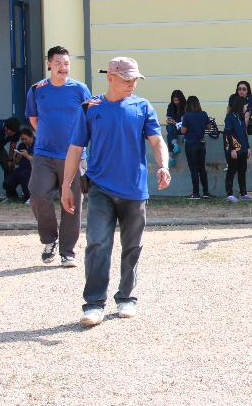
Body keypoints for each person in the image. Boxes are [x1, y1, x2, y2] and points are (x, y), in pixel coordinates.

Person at [61, 56, 170, 327]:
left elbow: (157, 141)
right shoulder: (90, 108)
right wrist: (66, 186)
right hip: (100, 188)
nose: (132, 83)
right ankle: (94, 303)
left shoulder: (143, 107)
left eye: (135, 78)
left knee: (132, 246)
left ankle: (127, 297)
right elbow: (75, 148)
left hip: (134, 188)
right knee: (98, 243)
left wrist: (163, 166)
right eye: (126, 78)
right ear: (110, 78)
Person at [26, 45, 92, 267]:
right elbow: (33, 119)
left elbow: (89, 118)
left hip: (74, 154)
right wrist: (49, 135)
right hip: (44, 153)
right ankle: (49, 240)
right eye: (58, 63)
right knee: (37, 194)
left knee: (72, 202)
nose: (63, 67)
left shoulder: (80, 89)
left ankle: (67, 252)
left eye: (66, 63)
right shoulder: (37, 89)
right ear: (49, 64)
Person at [223, 96, 252, 202]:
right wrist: (232, 149)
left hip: (243, 149)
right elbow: (228, 133)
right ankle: (229, 194)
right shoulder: (230, 117)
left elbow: (244, 133)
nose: (247, 108)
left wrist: (248, 147)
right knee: (231, 171)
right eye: (246, 106)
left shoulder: (241, 117)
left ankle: (244, 193)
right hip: (234, 149)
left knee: (242, 171)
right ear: (240, 106)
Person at [180, 95, 212, 199]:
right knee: (202, 168)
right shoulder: (203, 114)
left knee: (193, 169)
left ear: (188, 105)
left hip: (190, 144)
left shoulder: (187, 116)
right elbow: (209, 127)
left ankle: (196, 193)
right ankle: (206, 192)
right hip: (201, 144)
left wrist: (182, 126)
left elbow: (183, 131)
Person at [3, 126, 34, 202]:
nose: (24, 141)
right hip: (22, 168)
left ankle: (29, 197)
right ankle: (13, 197)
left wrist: (27, 155)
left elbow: (39, 161)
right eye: (22, 139)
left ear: (31, 137)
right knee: (7, 183)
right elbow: (16, 162)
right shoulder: (21, 145)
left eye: (25, 139)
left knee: (24, 176)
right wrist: (18, 157)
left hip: (34, 169)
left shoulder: (39, 145)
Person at [165, 89, 186, 167]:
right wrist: (170, 121)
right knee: (169, 128)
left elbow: (187, 120)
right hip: (174, 127)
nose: (176, 102)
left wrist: (178, 123)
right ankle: (175, 145)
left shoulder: (186, 106)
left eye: (177, 100)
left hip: (183, 128)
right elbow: (168, 118)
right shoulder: (171, 106)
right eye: (174, 100)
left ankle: (171, 156)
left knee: (169, 132)